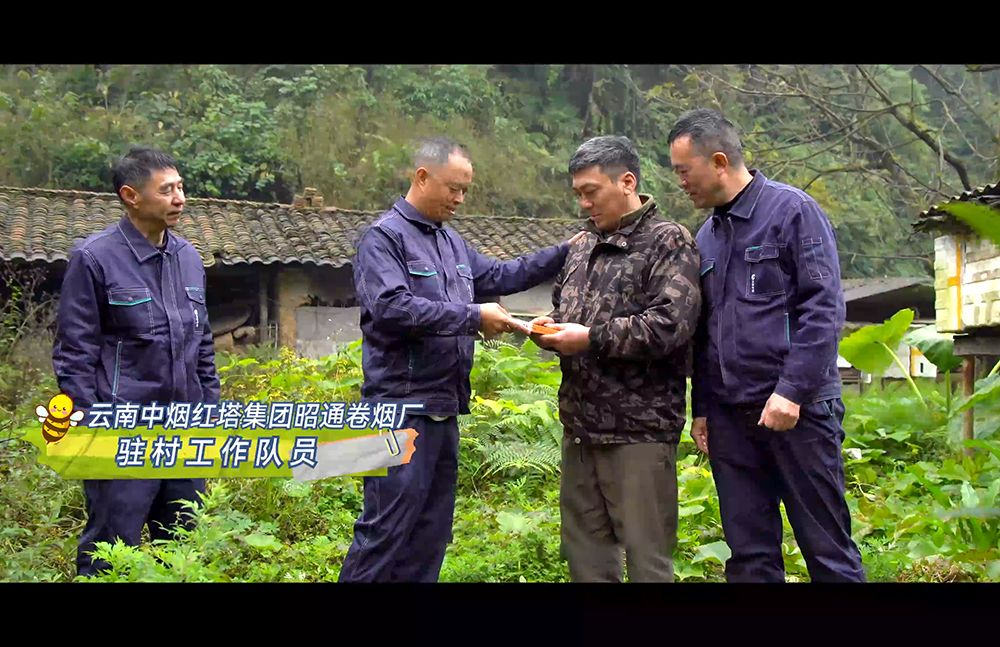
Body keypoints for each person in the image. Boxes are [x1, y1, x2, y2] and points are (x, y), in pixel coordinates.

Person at [339, 136, 583, 582]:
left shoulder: (450, 242)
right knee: (384, 531)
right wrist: (473, 316)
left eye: (465, 190)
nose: (460, 198)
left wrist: (566, 250)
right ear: (422, 177)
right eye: (453, 188)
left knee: (430, 534)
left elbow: (501, 275)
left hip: (444, 409)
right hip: (397, 409)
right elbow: (392, 308)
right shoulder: (383, 239)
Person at [668, 108, 865, 582]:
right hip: (732, 420)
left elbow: (823, 308)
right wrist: (703, 408)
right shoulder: (707, 236)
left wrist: (791, 391)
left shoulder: (793, 211)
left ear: (719, 162)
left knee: (826, 548)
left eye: (684, 171)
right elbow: (706, 331)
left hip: (799, 412)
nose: (680, 183)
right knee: (749, 554)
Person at [531, 135, 701, 582]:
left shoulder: (668, 241)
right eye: (578, 194)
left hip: (638, 434)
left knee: (647, 563)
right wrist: (549, 328)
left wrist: (590, 338)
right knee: (587, 563)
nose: (584, 204)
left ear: (627, 182)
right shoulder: (582, 246)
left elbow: (670, 326)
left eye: (591, 192)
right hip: (580, 430)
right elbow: (566, 309)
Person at [53, 146, 220, 577]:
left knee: (181, 549)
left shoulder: (188, 258)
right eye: (166, 190)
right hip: (123, 431)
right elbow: (74, 354)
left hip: (185, 432)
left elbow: (202, 344)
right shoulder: (94, 258)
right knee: (111, 550)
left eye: (180, 187)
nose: (180, 198)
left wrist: (210, 412)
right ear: (131, 196)